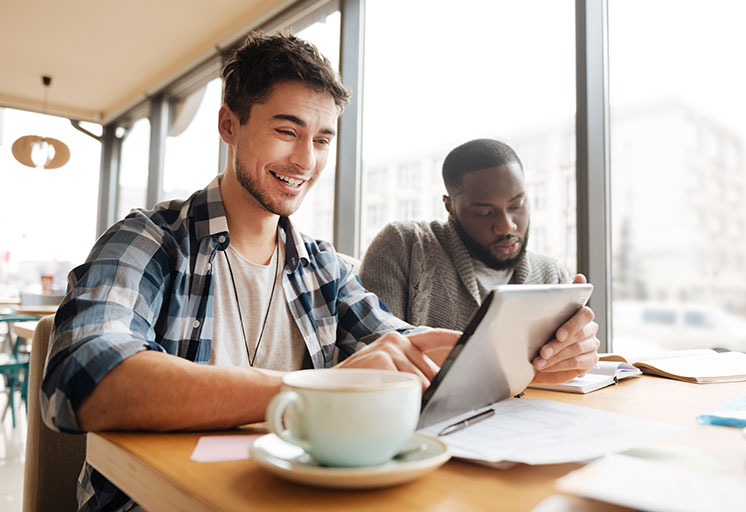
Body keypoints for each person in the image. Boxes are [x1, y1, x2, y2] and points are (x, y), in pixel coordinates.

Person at [41, 34, 595, 511]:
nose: (306, 160)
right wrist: (320, 388)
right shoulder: (151, 239)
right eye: (287, 131)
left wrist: (534, 359)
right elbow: (80, 377)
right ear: (228, 125)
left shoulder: (321, 267)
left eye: (323, 139)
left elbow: (406, 351)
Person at [360, 138, 599, 375]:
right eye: (484, 212)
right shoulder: (404, 246)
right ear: (450, 206)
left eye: (517, 205)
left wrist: (577, 351)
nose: (507, 227)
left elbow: (563, 366)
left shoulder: (550, 272)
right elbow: (378, 361)